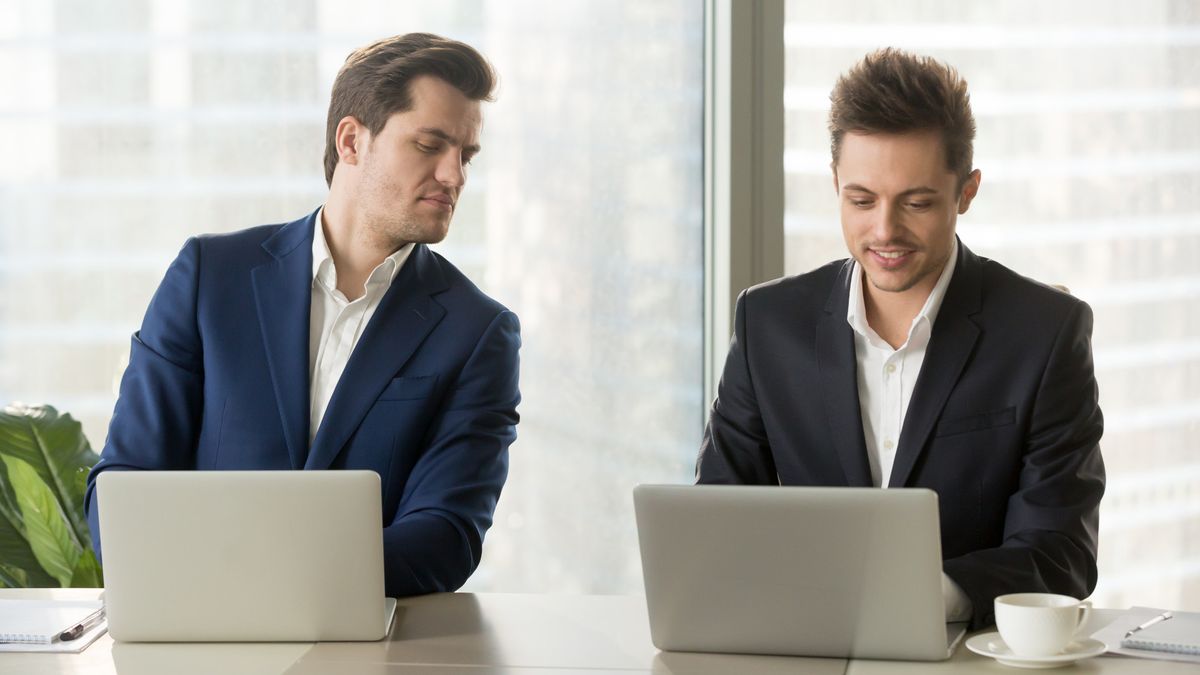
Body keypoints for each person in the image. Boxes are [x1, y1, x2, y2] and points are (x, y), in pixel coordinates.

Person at [84, 33, 520, 597]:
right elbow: (124, 486)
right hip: (200, 636)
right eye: (430, 145)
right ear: (351, 141)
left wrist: (267, 576)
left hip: (368, 647)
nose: (454, 175)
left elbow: (447, 533)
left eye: (465, 155)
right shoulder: (209, 277)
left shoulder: (478, 332)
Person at [696, 48, 1104, 629]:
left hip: (965, 656)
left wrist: (929, 596)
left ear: (967, 191)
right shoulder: (767, 324)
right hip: (801, 646)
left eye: (917, 202)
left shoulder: (1046, 332)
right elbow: (718, 518)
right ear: (835, 182)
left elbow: (1063, 552)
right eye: (860, 200)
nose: (885, 230)